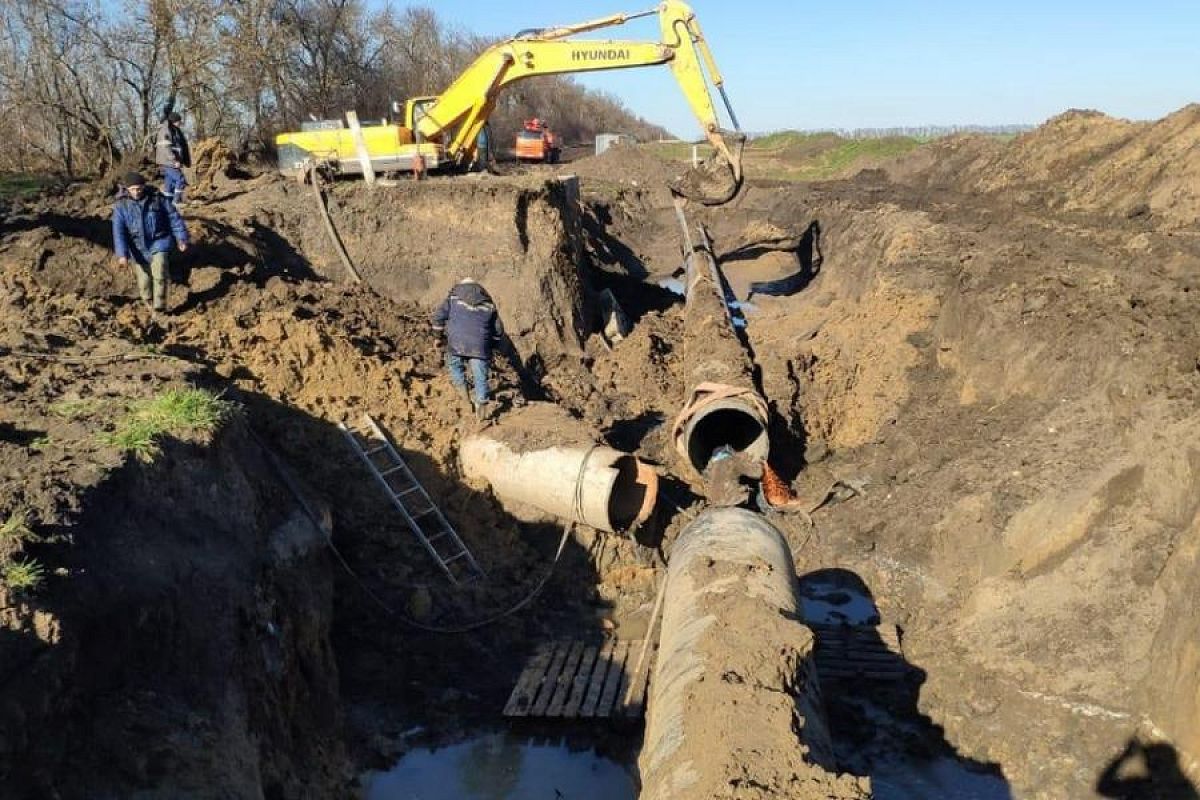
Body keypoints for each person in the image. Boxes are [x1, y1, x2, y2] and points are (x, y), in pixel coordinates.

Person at [112, 171, 189, 314]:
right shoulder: (121, 207)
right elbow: (119, 232)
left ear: (144, 186)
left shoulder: (157, 199)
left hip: (159, 240)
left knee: (160, 272)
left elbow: (174, 218)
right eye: (133, 189)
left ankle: (160, 307)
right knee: (144, 282)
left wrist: (181, 238)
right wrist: (122, 254)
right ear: (127, 189)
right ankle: (148, 304)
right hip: (137, 247)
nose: (136, 192)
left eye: (139, 188)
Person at [431, 278, 504, 421]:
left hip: (456, 342)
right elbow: (498, 330)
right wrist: (491, 346)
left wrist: (437, 337)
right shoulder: (489, 304)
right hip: (479, 346)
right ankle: (481, 407)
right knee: (480, 375)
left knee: (454, 365)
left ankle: (465, 398)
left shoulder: (453, 298)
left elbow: (438, 317)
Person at [155, 111, 191, 205]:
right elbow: (166, 148)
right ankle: (176, 201)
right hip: (168, 161)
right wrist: (174, 161)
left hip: (168, 161)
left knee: (169, 183)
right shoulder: (166, 131)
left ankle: (167, 203)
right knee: (180, 179)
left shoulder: (173, 130)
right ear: (174, 121)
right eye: (179, 121)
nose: (180, 123)